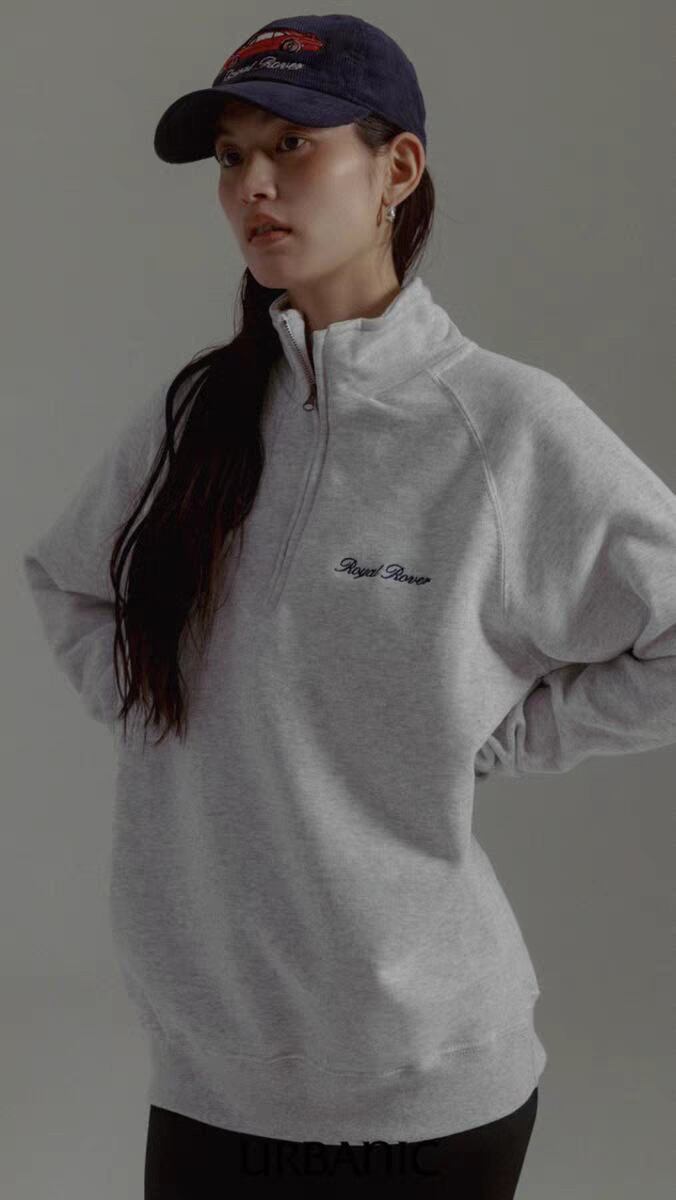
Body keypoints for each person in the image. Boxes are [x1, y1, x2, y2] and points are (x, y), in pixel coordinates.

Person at [22, 13, 676, 1199]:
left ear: (397, 169)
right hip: (209, 1076)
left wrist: (508, 733)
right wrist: (166, 714)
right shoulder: (197, 415)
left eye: (293, 146)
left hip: (421, 1083)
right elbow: (69, 578)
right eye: (232, 156)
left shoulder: (501, 427)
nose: (253, 185)